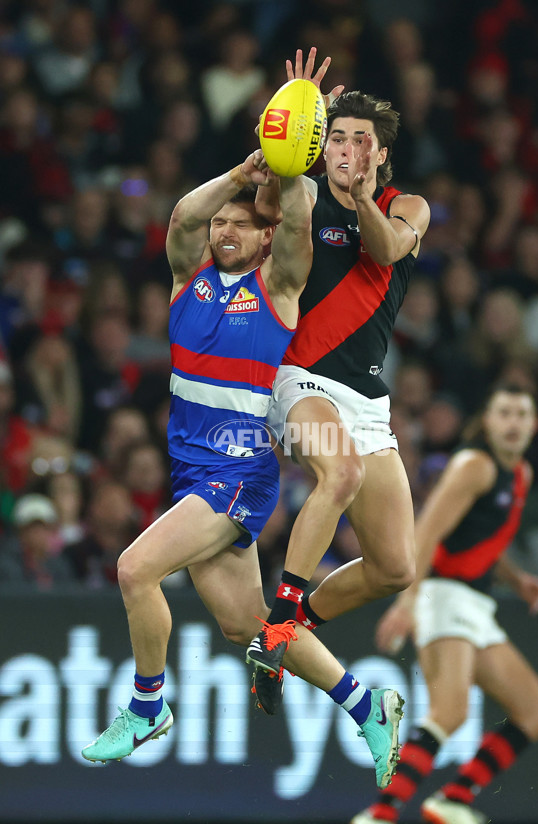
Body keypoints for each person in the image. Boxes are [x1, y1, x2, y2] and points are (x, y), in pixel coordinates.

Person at [81, 137, 404, 789]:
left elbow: (293, 230)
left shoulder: (279, 286)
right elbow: (180, 220)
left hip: (240, 469)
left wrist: (283, 173)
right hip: (191, 470)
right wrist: (235, 175)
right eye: (221, 221)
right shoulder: (187, 280)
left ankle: (147, 704)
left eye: (240, 222)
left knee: (135, 569)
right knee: (244, 625)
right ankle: (371, 706)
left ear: (265, 239)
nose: (225, 229)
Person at [246, 49, 430, 707]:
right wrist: (290, 125)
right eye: (339, 137)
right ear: (323, 148)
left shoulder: (406, 206)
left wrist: (360, 203)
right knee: (341, 473)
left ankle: (293, 627)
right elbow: (267, 197)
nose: (349, 149)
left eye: (362, 141)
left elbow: (384, 249)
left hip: (368, 403)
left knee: (395, 568)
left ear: (381, 155)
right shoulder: (303, 191)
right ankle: (276, 620)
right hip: (300, 381)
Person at [350, 384, 538, 824]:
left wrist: (517, 578)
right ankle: (379, 815)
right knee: (451, 711)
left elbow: (484, 535)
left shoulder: (519, 473)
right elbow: (427, 533)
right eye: (503, 412)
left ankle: (456, 797)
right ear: (487, 421)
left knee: (537, 711)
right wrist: (407, 603)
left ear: (533, 425)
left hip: (475, 604)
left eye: (521, 414)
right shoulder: (474, 466)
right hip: (443, 596)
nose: (512, 422)